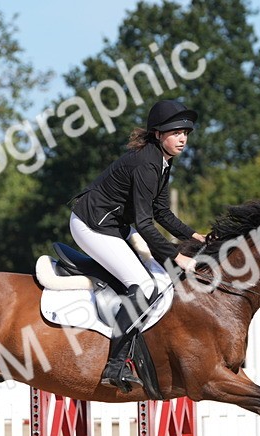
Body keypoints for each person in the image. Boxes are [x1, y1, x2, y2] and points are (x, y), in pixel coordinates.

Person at [69, 99, 207, 391]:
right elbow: (145, 225)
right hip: (92, 225)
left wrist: (195, 236)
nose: (182, 138)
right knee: (143, 286)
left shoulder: (162, 161)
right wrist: (177, 256)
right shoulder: (147, 163)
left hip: (113, 225)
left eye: (185, 133)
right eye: (175, 132)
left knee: (160, 279)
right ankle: (114, 365)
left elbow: (162, 213)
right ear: (158, 134)